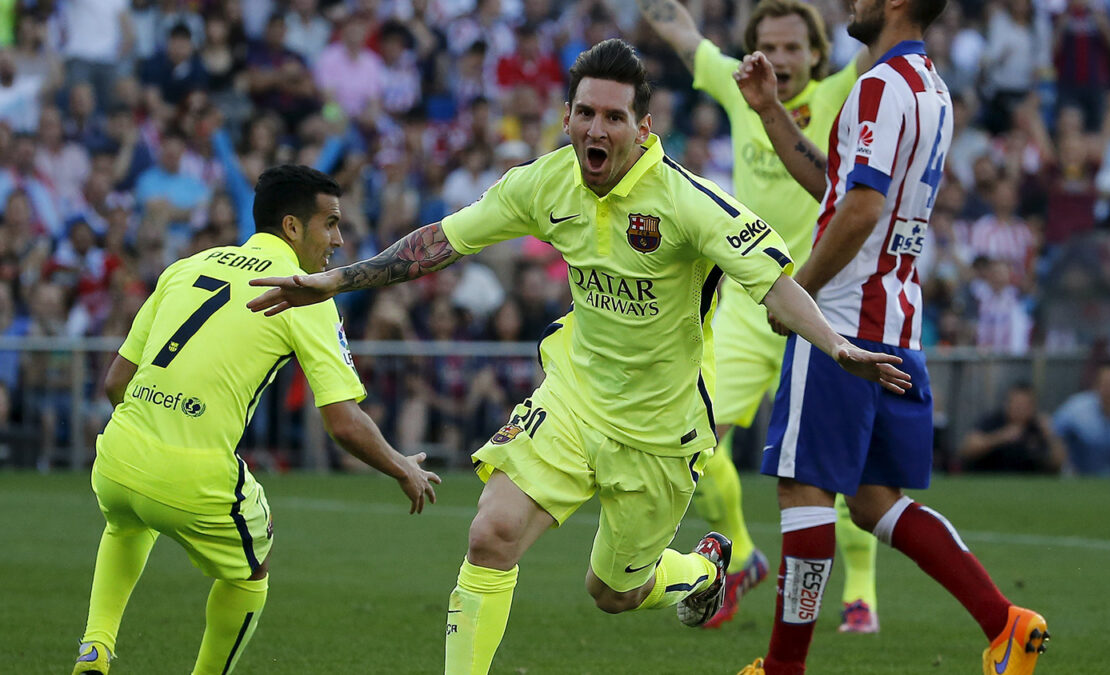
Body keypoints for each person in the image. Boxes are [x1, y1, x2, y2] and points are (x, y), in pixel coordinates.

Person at [247, 39, 910, 675]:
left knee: (613, 591)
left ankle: (702, 570)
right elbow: (442, 241)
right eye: (585, 113)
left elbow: (776, 284)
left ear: (643, 128)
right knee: (490, 534)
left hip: (659, 429)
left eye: (614, 117)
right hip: (573, 397)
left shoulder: (687, 203)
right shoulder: (545, 183)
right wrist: (334, 280)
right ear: (567, 118)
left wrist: (835, 344)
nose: (597, 128)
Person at [731, 0, 1049, 672]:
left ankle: (782, 667)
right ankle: (1006, 622)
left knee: (802, 489)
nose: (851, 2)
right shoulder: (929, 85)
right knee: (875, 500)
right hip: (896, 320)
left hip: (845, 322)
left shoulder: (877, 86)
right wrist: (769, 112)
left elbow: (863, 206)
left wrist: (800, 294)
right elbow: (841, 188)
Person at [70, 165, 441, 675]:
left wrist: (152, 429)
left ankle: (94, 652)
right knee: (251, 573)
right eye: (330, 224)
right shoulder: (302, 292)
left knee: (127, 524)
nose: (338, 239)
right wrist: (402, 466)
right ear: (292, 227)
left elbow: (115, 382)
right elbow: (343, 422)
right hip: (194, 474)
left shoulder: (186, 266)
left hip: (115, 458)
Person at [637, 0, 883, 631]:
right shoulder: (739, 82)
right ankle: (742, 555)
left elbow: (889, 36)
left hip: (827, 302)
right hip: (751, 306)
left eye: (794, 47)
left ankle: (860, 592)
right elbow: (679, 30)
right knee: (691, 433)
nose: (780, 58)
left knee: (843, 463)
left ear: (818, 54)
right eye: (768, 46)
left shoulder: (845, 89)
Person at [1052, 362, 1110, 478]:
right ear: (1095, 387)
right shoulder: (1074, 409)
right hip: (1079, 477)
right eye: (1104, 385)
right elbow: (1054, 433)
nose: (1108, 391)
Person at [960, 382, 1066, 474]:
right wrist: (1000, 437)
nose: (1020, 409)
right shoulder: (993, 421)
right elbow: (967, 449)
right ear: (1007, 403)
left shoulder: (1038, 426)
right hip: (989, 480)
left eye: (1025, 405)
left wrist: (1050, 435)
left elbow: (1058, 463)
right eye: (1016, 404)